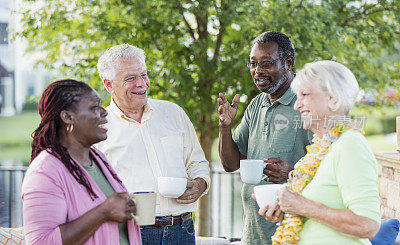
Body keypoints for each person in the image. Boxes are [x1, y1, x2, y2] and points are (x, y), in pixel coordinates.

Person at [95, 44, 211, 245]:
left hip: (182, 230)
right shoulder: (98, 129)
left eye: (144, 75)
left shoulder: (173, 113)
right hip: (131, 233)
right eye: (131, 78)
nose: (142, 84)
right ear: (108, 84)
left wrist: (201, 184)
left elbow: (197, 162)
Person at [258, 60, 381, 244]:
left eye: (304, 95)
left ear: (332, 98)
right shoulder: (319, 149)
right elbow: (316, 215)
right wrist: (286, 211)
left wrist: (302, 206)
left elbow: (368, 225)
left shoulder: (350, 144)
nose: (296, 105)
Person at [217, 31, 312, 245]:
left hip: (293, 236)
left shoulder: (307, 104)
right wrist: (225, 126)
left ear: (288, 63)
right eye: (253, 63)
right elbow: (231, 164)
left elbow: (329, 167)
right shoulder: (256, 104)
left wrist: (292, 173)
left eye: (266, 63)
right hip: (253, 235)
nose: (257, 71)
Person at [21, 79, 142, 245]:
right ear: (68, 117)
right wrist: (103, 212)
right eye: (94, 107)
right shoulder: (44, 172)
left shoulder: (98, 158)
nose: (104, 112)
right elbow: (41, 242)